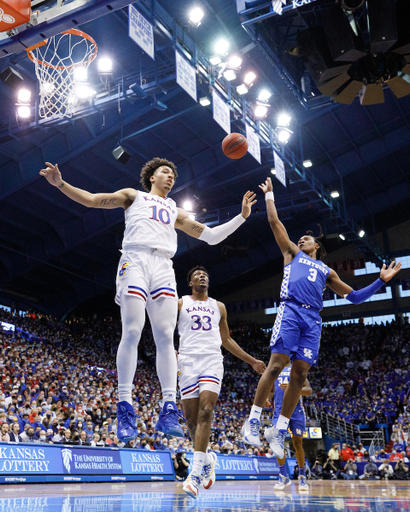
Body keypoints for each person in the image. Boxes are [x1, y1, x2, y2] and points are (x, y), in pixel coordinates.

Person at [40, 159, 256, 442]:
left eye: (174, 175)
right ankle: (125, 405)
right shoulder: (133, 196)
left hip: (164, 266)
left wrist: (241, 216)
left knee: (166, 337)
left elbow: (213, 237)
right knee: (132, 330)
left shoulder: (175, 211)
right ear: (152, 177)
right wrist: (60, 184)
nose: (171, 178)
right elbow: (93, 201)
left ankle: (168, 407)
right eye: (166, 172)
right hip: (136, 260)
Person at [242, 177, 402, 456]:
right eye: (300, 236)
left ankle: (278, 430)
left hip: (313, 320)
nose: (302, 238)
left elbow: (354, 297)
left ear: (317, 246)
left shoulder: (327, 271)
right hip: (290, 310)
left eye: (307, 238)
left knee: (300, 373)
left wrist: (381, 281)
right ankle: (253, 421)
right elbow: (274, 223)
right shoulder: (292, 253)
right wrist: (269, 197)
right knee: (278, 363)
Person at [178, 266, 266, 498]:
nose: (202, 276)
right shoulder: (180, 303)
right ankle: (208, 460)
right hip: (186, 361)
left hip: (211, 361)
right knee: (191, 422)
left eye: (205, 274)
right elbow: (165, 330)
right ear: (190, 283)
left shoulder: (219, 306)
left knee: (206, 412)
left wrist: (252, 361)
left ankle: (194, 475)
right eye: (197, 274)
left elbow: (226, 339)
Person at [263, 362, 311, 493]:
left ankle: (302, 476)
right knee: (277, 442)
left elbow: (309, 390)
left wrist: (293, 388)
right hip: (279, 412)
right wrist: (267, 398)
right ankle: (283, 476)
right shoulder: (275, 370)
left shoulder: (297, 369)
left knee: (297, 443)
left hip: (296, 412)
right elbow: (270, 389)